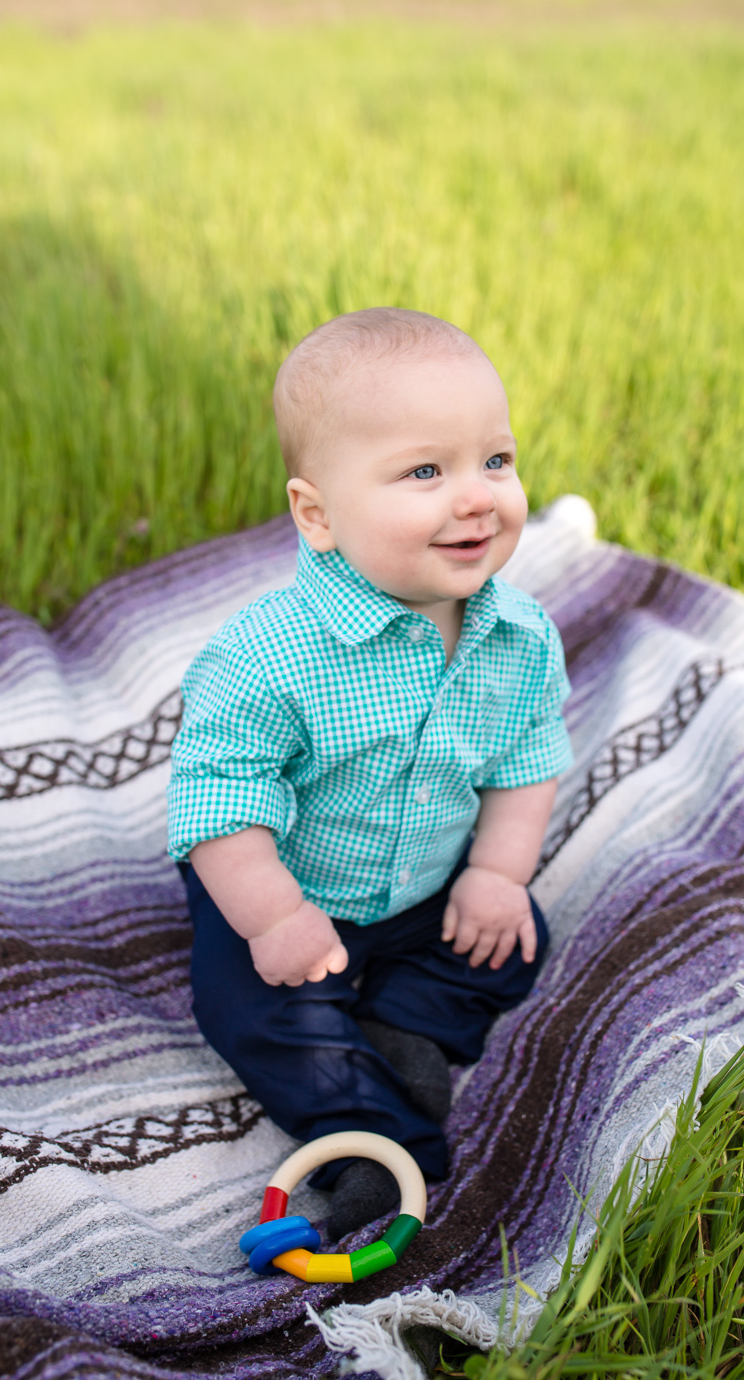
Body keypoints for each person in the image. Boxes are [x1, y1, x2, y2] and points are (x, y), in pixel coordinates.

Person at [167, 308, 573, 1238]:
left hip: (424, 889)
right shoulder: (269, 656)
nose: (476, 497)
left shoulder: (518, 636)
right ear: (317, 514)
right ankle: (372, 1145)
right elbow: (223, 801)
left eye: (495, 462)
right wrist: (272, 918)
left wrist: (494, 875)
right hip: (284, 888)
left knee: (514, 937)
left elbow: (526, 761)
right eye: (426, 472)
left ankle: (407, 1029)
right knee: (252, 1006)